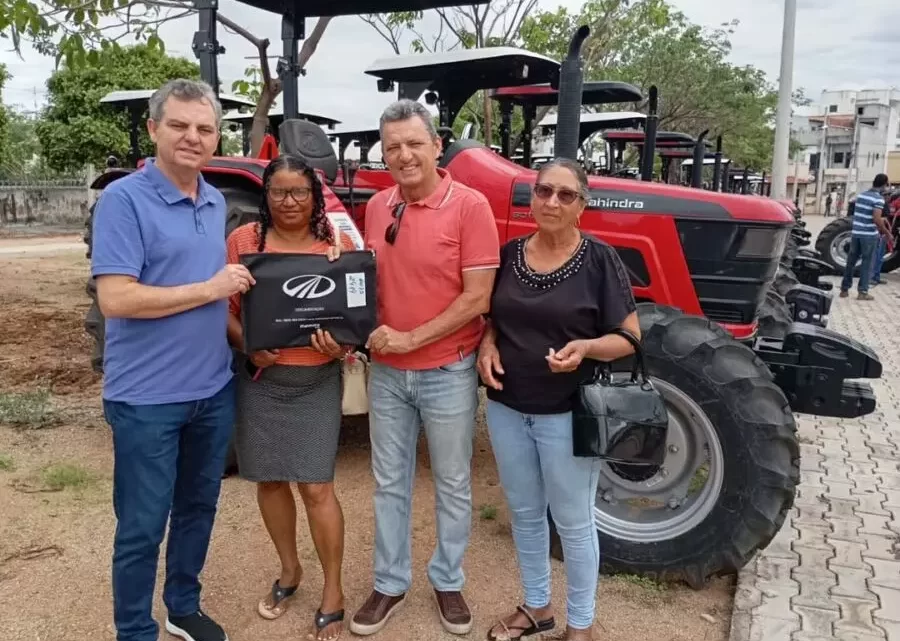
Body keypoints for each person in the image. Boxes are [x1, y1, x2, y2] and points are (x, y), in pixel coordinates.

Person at [91, 78, 251, 641]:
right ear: (155, 129)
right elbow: (116, 298)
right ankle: (135, 630)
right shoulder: (123, 200)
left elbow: (219, 303)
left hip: (211, 392)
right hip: (146, 400)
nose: (193, 137)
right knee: (140, 525)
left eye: (205, 128)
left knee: (197, 510)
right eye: (180, 125)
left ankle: (182, 606)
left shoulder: (212, 200)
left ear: (216, 137)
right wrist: (210, 289)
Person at [348, 99, 500, 637]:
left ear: (438, 146)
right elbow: (368, 283)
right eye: (393, 147)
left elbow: (476, 298)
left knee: (453, 481)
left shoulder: (471, 207)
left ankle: (447, 578)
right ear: (384, 154)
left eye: (415, 143)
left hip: (447, 371)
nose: (404, 155)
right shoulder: (378, 205)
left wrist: (411, 337)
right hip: (387, 373)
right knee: (390, 482)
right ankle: (389, 582)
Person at [477, 158, 639, 641]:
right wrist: (487, 342)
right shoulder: (508, 254)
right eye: (544, 191)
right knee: (525, 513)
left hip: (568, 412)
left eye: (565, 195)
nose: (551, 202)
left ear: (581, 207)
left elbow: (630, 337)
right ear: (532, 197)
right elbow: (492, 315)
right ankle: (536, 607)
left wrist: (587, 348)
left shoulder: (599, 260)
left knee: (571, 520)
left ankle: (581, 625)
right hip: (507, 406)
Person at [225, 154, 356, 641]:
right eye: (278, 192)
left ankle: (334, 591)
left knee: (317, 487)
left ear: (315, 196)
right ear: (266, 195)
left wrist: (342, 342)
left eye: (299, 191)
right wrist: (247, 345)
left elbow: (356, 312)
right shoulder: (243, 242)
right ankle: (289, 571)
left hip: (316, 382)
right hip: (262, 384)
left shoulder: (336, 246)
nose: (289, 201)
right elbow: (226, 308)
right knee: (271, 482)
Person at [840, 173, 892, 300]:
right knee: (867, 263)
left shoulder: (861, 195)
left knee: (851, 262)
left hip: (856, 233)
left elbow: (863, 213)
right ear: (884, 184)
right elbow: (876, 219)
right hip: (868, 235)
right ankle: (862, 292)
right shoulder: (878, 199)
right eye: (887, 184)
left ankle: (844, 290)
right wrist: (887, 232)